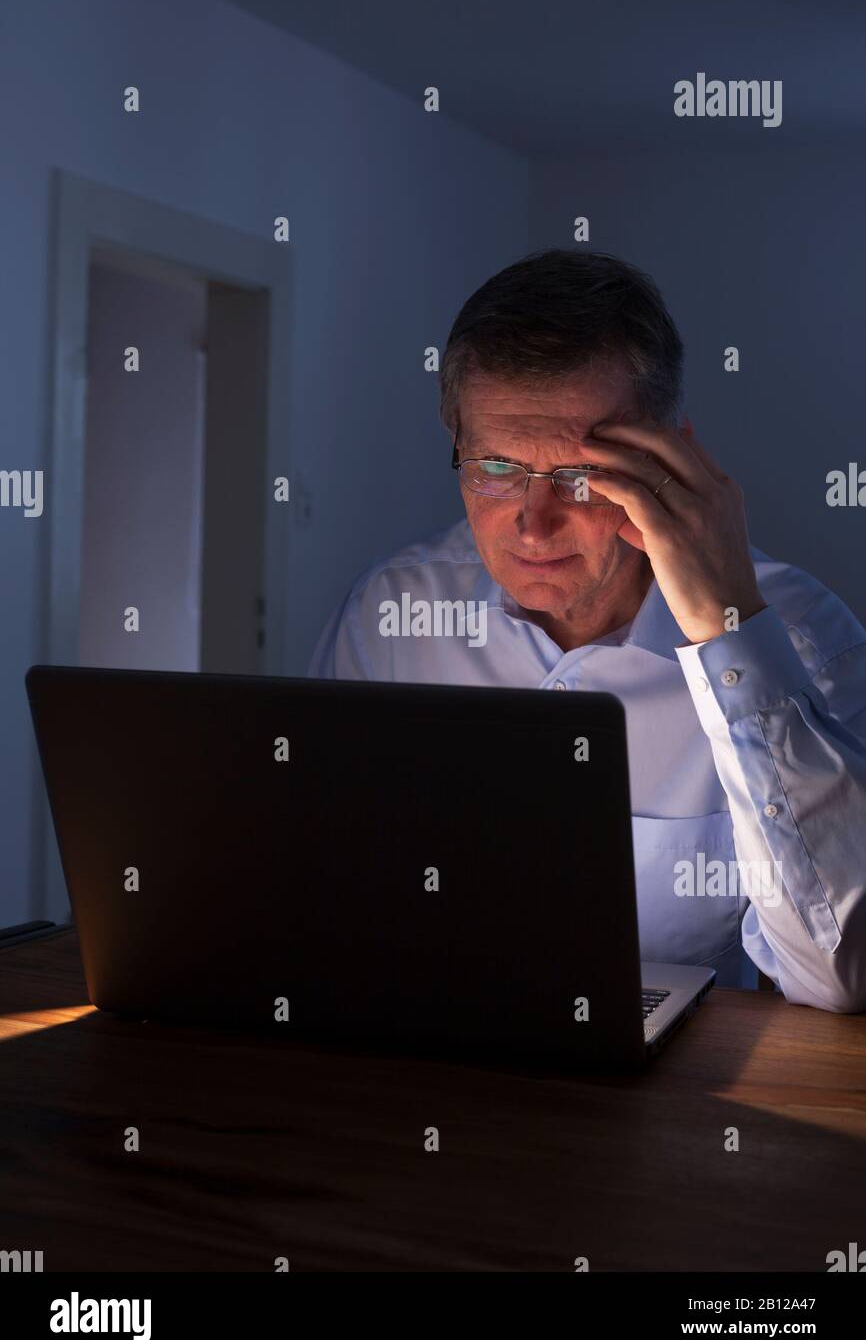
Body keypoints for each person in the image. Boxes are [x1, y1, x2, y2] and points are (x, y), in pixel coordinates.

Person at [309, 249, 866, 1013]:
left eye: (579, 476)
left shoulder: (802, 637)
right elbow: (314, 880)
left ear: (669, 462)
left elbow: (843, 979)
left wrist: (727, 635)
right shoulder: (391, 614)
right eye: (497, 467)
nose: (534, 524)